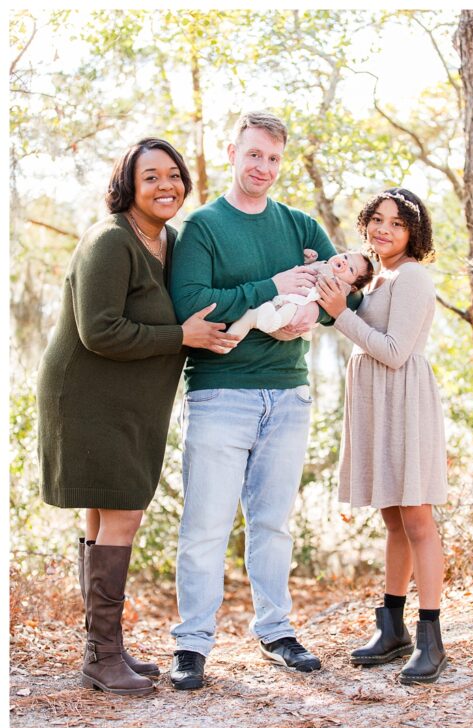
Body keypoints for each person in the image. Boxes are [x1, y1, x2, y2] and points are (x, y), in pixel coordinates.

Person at [36, 138, 239, 696]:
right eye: (151, 177)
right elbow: (97, 329)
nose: (166, 185)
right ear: (128, 184)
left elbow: (196, 303)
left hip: (131, 401)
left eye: (173, 175)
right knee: (121, 511)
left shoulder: (170, 241)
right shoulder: (110, 241)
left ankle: (103, 651)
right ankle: (102, 657)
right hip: (89, 397)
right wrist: (182, 335)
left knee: (104, 520)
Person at [167, 111, 356, 690]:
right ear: (232, 152)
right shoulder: (202, 227)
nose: (263, 168)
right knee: (206, 524)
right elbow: (192, 303)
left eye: (273, 158)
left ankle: (276, 630)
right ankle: (192, 643)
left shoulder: (299, 225)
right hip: (221, 393)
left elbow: (341, 285)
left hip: (289, 395)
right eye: (254, 155)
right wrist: (270, 290)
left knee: (273, 524)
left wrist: (307, 315)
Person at [316, 188, 450, 685]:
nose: (384, 230)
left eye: (397, 223)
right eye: (377, 220)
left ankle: (431, 637)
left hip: (405, 404)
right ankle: (392, 627)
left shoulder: (412, 276)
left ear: (414, 233)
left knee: (416, 518)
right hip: (379, 406)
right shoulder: (378, 277)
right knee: (393, 519)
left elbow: (394, 351)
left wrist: (342, 315)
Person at [227, 249, 374, 341]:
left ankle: (266, 319)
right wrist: (309, 259)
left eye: (351, 269)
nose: (344, 262)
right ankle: (231, 340)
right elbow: (307, 268)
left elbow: (326, 278)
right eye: (346, 257)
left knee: (282, 312)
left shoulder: (341, 286)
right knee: (252, 318)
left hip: (292, 314)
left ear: (353, 287)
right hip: (283, 301)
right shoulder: (323, 264)